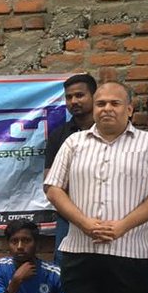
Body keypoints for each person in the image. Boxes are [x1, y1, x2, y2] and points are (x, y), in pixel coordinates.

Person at [44, 81, 148, 293]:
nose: (107, 109)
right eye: (101, 103)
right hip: (81, 251)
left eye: (115, 104)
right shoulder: (74, 143)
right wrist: (84, 223)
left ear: (129, 110)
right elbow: (53, 189)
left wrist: (121, 227)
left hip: (131, 254)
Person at [44, 73, 96, 251]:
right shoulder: (59, 136)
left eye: (80, 95)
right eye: (69, 97)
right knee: (68, 274)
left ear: (94, 96)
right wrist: (78, 216)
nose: (73, 101)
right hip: (69, 220)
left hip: (112, 217)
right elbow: (49, 185)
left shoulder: (111, 131)